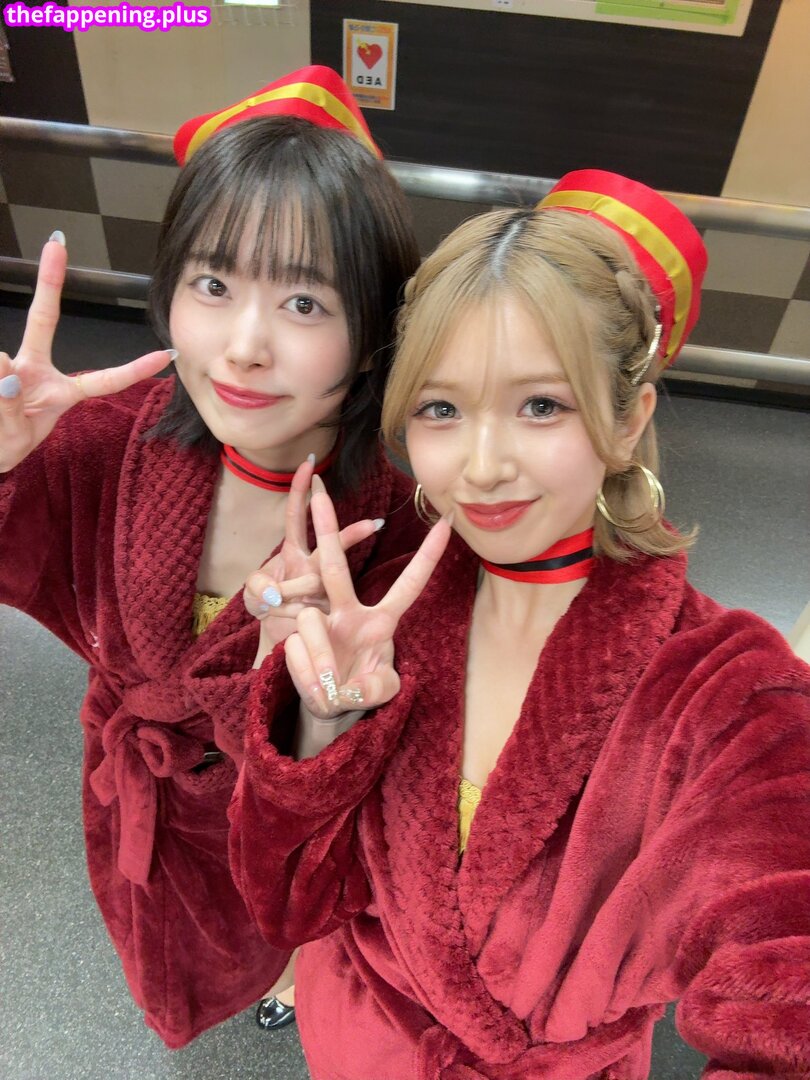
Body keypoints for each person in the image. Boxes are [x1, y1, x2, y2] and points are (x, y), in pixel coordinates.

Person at [230, 170, 810, 1078]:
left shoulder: (729, 692)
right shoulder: (381, 606)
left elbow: (784, 985)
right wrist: (320, 722)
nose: (483, 464)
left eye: (542, 405)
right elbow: (289, 903)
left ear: (629, 419)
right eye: (441, 409)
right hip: (351, 1040)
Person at [0, 66, 423, 1048]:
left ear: (372, 334)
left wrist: (303, 706)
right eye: (214, 285)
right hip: (140, 803)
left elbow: (384, 782)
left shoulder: (396, 532)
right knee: (168, 934)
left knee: (291, 922)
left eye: (305, 303)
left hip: (271, 838)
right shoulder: (105, 441)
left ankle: (295, 963)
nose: (242, 347)